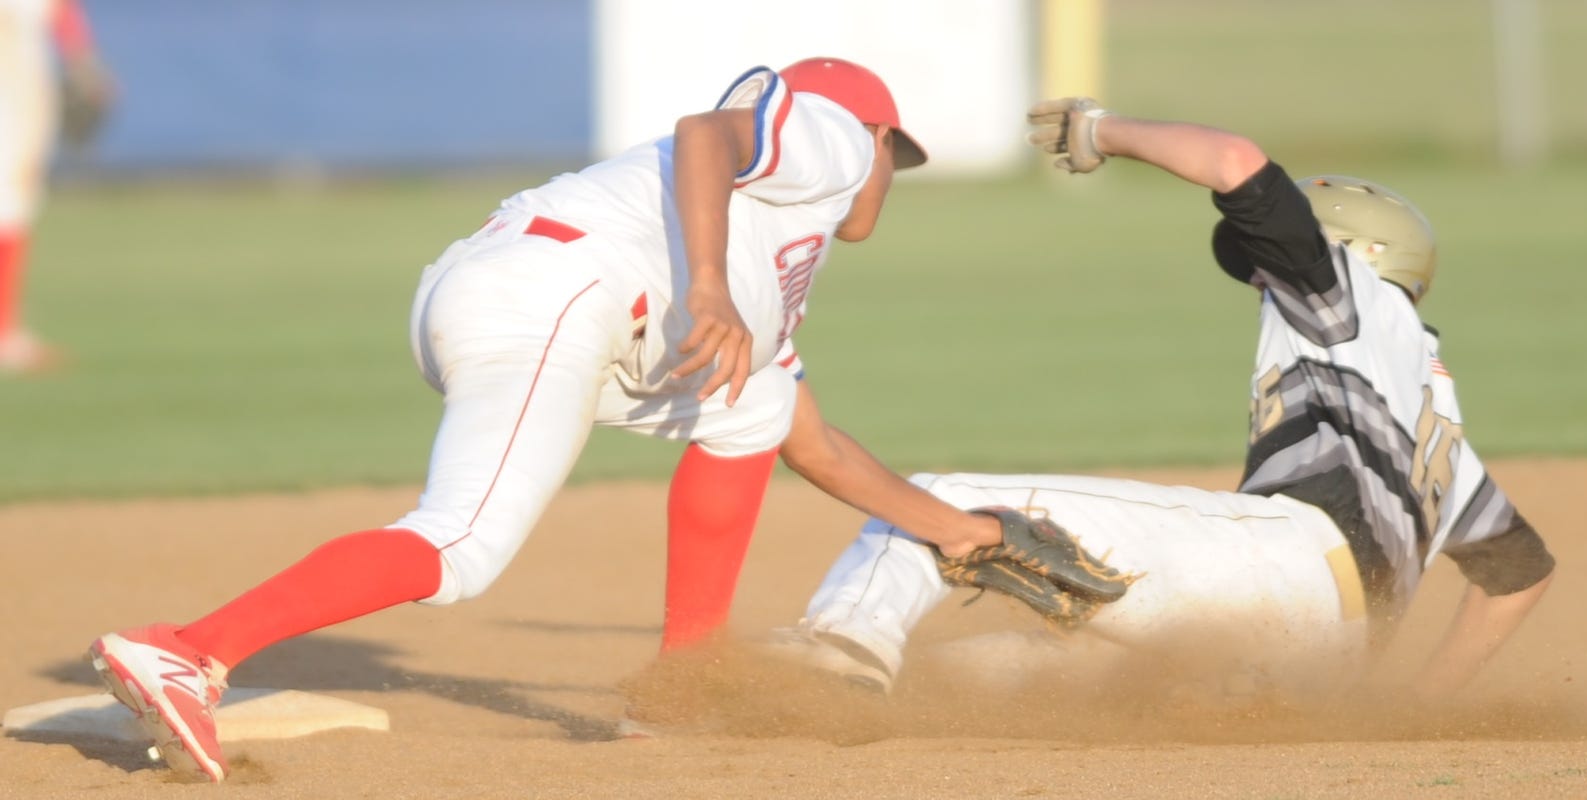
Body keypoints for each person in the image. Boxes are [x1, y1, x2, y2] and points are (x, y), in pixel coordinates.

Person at [86, 57, 1007, 783]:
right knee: (462, 544)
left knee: (749, 404)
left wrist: (962, 532)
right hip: (557, 293)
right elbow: (708, 132)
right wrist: (709, 285)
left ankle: (680, 689)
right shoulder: (833, 137)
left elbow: (812, 441)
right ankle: (189, 653)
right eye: (897, 155)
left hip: (540, 292)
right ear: (876, 135)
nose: (889, 175)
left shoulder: (771, 252)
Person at [769, 97, 1555, 705]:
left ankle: (840, 644)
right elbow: (1520, 576)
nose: (1260, 272)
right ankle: (795, 698)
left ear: (1351, 250)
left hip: (1280, 566)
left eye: (1269, 258)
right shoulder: (1439, 424)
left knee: (932, 503)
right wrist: (1416, 706)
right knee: (980, 679)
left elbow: (1234, 161)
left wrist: (1101, 131)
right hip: (1321, 661)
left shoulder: (1340, 294)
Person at [0, 0, 114, 373]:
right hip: (10, 77)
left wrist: (81, 57)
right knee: (9, 202)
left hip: (23, 73)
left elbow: (59, 9)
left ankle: (5, 331)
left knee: (14, 203)